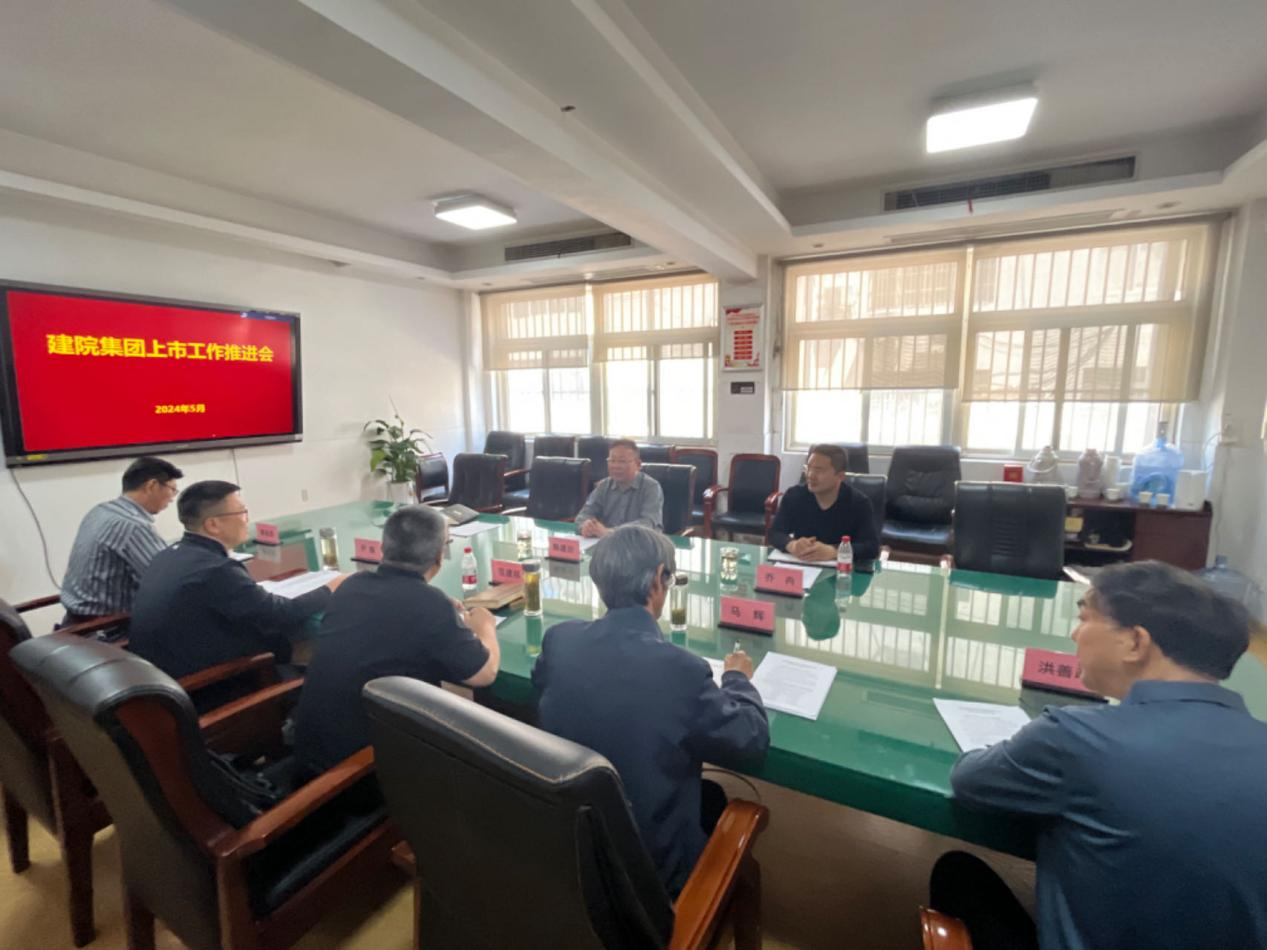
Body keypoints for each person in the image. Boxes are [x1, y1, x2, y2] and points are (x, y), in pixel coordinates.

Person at [932, 560, 1267, 950]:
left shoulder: (1075, 737)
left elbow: (969, 781)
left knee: (957, 873)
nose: (1074, 634)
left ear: (1135, 642)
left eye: (1085, 618)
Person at [531, 525, 769, 895]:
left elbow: (542, 683)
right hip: (648, 881)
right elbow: (750, 739)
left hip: (574, 849)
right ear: (659, 578)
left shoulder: (559, 640)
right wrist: (737, 679)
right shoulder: (681, 669)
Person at [293, 505, 500, 778]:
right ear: (439, 555)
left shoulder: (352, 585)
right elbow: (484, 674)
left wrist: (436, 606)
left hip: (310, 748)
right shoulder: (429, 604)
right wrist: (485, 626)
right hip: (360, 771)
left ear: (383, 548)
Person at [128, 480, 345, 679]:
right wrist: (332, 588)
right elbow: (280, 614)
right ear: (213, 525)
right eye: (242, 512)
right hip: (214, 684)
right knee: (328, 634)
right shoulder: (215, 569)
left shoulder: (169, 555)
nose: (247, 520)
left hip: (167, 671)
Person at [59, 456, 183, 624]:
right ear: (152, 486)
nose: (172, 497)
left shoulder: (101, 511)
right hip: (107, 629)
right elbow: (166, 581)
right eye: (172, 489)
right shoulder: (133, 526)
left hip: (73, 622)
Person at [768, 444, 879, 562]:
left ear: (840, 476)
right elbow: (775, 532)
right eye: (808, 468)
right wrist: (792, 545)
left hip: (841, 569)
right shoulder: (794, 496)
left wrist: (834, 551)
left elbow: (871, 547)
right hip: (803, 566)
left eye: (818, 470)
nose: (810, 475)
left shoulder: (859, 503)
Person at [576, 439, 663, 537]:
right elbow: (584, 515)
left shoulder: (651, 487)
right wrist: (586, 526)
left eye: (622, 461)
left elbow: (648, 523)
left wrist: (610, 532)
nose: (616, 466)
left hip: (641, 543)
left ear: (638, 464)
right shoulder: (604, 486)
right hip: (607, 543)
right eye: (612, 461)